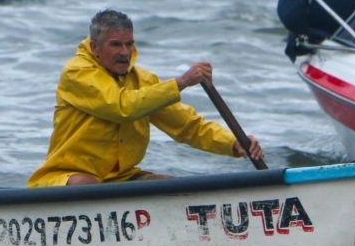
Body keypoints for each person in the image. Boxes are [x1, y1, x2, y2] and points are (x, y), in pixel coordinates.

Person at [27, 10, 263, 187]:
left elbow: (187, 126)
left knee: (166, 185)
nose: (124, 52)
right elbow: (122, 107)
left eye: (129, 44)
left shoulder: (143, 80)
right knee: (86, 184)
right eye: (115, 44)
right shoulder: (76, 72)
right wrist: (180, 82)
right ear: (95, 47)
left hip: (121, 177)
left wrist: (233, 143)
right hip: (66, 177)